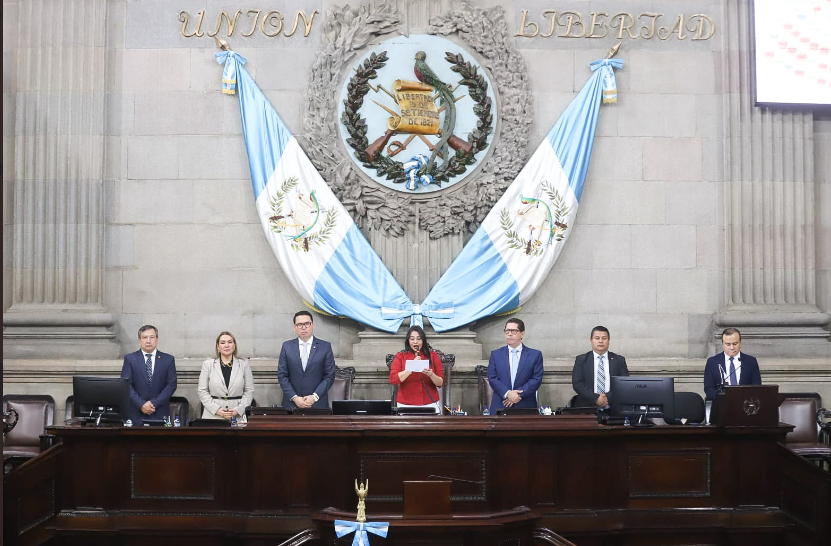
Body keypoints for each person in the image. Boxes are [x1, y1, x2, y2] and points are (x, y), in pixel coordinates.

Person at [277, 310, 336, 410]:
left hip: (317, 404)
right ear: (294, 328)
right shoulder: (287, 347)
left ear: (313, 325)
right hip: (292, 404)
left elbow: (329, 376)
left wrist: (314, 397)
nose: (303, 327)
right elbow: (282, 375)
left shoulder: (325, 347)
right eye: (299, 324)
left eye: (307, 324)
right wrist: (295, 398)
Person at [120, 325, 178, 425]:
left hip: (159, 413)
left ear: (157, 339)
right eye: (144, 337)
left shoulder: (168, 359)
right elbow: (126, 385)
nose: (148, 341)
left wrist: (153, 404)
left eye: (152, 337)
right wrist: (141, 404)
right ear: (139, 340)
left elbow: (171, 385)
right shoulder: (130, 359)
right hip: (136, 414)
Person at [487, 318, 544, 414]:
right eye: (507, 331)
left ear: (522, 334)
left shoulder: (535, 355)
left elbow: (536, 379)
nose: (509, 334)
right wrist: (508, 394)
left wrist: (516, 396)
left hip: (525, 405)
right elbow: (492, 378)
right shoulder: (496, 354)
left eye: (513, 331)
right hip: (501, 404)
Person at [197, 331, 255, 421]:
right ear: (218, 346)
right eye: (223, 343)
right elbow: (202, 391)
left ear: (234, 346)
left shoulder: (244, 364)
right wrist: (217, 410)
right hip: (213, 416)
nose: (226, 345)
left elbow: (249, 391)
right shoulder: (208, 364)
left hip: (237, 416)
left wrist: (238, 410)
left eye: (230, 342)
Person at [389, 325, 444, 414]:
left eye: (419, 339)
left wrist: (431, 375)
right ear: (408, 341)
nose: (415, 342)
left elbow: (440, 383)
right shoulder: (401, 356)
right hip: (406, 404)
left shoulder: (433, 356)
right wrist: (411, 367)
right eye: (412, 339)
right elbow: (393, 380)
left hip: (429, 403)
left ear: (423, 340)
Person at [571, 326, 629, 408]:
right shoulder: (581, 360)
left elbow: (624, 384)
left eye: (604, 338)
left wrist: (607, 398)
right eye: (597, 338)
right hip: (587, 407)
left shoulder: (619, 360)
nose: (601, 341)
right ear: (591, 340)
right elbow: (577, 384)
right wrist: (595, 398)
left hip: (613, 406)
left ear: (608, 341)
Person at [703, 327, 762, 400]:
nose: (732, 347)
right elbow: (708, 388)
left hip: (744, 404)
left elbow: (757, 386)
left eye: (735, 344)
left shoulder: (750, 361)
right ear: (723, 344)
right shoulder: (712, 362)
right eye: (728, 344)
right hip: (721, 405)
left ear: (740, 343)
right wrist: (722, 397)